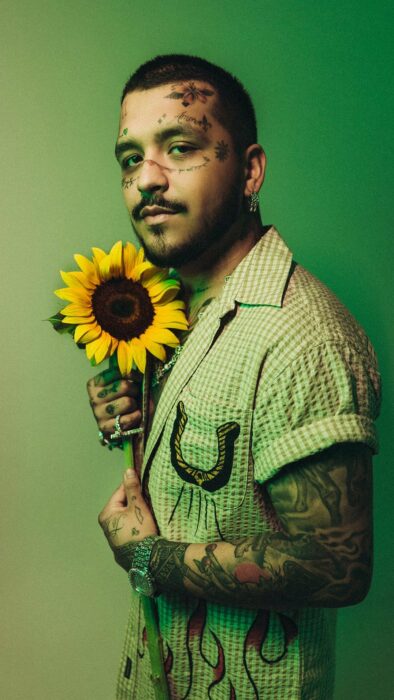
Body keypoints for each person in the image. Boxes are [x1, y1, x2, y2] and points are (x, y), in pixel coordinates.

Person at [86, 55, 381, 700]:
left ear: (250, 171)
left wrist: (147, 558)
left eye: (180, 147)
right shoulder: (176, 308)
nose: (147, 181)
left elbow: (338, 567)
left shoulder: (306, 336)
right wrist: (126, 400)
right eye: (130, 159)